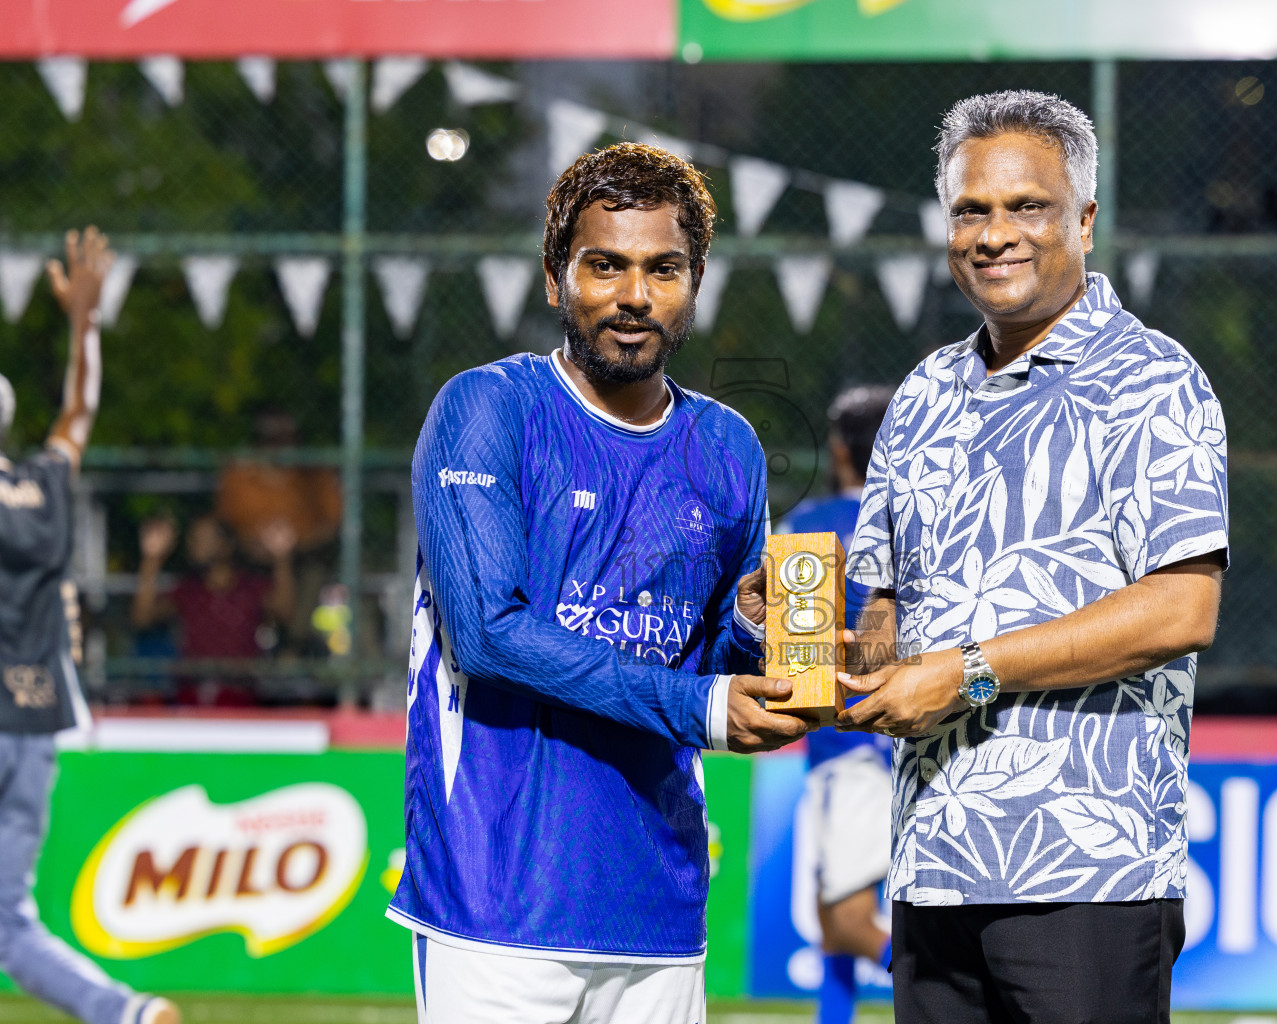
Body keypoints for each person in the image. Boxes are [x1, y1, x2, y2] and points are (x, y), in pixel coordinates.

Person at [387, 142, 810, 1024]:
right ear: (555, 278)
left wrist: (750, 629)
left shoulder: (729, 447)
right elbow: (489, 632)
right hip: (494, 903)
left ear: (696, 282)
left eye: (664, 269)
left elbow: (712, 665)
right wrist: (702, 708)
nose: (633, 295)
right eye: (604, 265)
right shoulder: (486, 409)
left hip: (659, 905)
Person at [838, 92, 1227, 1024]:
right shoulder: (924, 392)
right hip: (932, 866)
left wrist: (968, 675)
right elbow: (886, 628)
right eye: (972, 209)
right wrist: (803, 634)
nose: (993, 234)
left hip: (1087, 877)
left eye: (1027, 207)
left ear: (1084, 219)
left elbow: (1182, 610)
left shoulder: (1154, 378)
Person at [0, 227, 179, 1024]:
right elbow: (79, 409)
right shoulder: (43, 483)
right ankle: (127, 1012)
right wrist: (85, 325)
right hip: (37, 719)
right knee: (6, 922)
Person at [775, 385, 897, 1024]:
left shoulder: (809, 523)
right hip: (903, 739)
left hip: (846, 744)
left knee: (849, 920)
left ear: (841, 450)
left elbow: (799, 656)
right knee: (832, 918)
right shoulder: (918, 522)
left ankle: (958, 989)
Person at [131, 513, 296, 706]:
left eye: (205, 538)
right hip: (192, 697)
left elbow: (285, 612)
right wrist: (152, 559)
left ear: (226, 545)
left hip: (240, 697)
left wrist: (282, 559)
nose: (197, 546)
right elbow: (142, 618)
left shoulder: (250, 587)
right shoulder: (187, 590)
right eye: (194, 539)